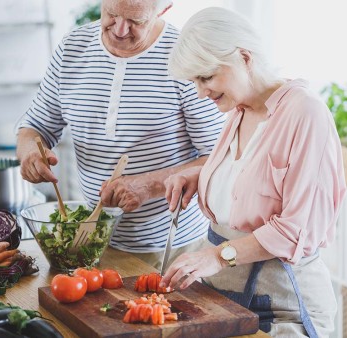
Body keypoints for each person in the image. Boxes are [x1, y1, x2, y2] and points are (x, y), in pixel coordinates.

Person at [159, 7, 346, 338]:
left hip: (284, 304)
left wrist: (218, 256)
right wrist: (202, 177)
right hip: (226, 296)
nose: (201, 92)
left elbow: (293, 230)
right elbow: (251, 180)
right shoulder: (240, 110)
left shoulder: (305, 113)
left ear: (244, 57)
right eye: (195, 81)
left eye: (206, 77)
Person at [15, 0, 225, 269]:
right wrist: (30, 153)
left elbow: (220, 158)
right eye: (112, 14)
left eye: (136, 21)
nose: (120, 30)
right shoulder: (72, 48)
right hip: (93, 243)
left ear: (164, 8)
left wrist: (149, 184)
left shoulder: (186, 58)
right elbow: (34, 127)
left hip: (172, 249)